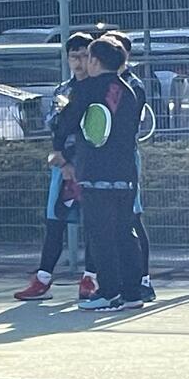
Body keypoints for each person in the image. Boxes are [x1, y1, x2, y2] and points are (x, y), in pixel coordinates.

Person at [50, 36, 143, 312]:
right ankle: (132, 293)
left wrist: (59, 149)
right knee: (125, 232)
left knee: (101, 236)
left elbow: (66, 121)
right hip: (126, 173)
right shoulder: (130, 90)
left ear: (95, 60)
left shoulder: (87, 88)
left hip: (95, 172)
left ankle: (109, 292)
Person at [14, 33, 98, 301]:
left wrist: (78, 161)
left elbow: (95, 131)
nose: (80, 61)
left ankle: (90, 278)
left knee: (94, 223)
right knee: (54, 220)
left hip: (92, 166)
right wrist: (63, 161)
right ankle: (42, 279)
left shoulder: (100, 90)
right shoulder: (63, 91)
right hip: (62, 166)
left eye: (85, 55)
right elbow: (54, 124)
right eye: (74, 56)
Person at [105, 31, 155, 302]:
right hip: (105, 161)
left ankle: (143, 280)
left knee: (132, 218)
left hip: (124, 158)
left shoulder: (131, 85)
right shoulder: (102, 83)